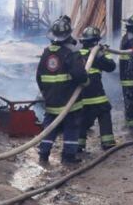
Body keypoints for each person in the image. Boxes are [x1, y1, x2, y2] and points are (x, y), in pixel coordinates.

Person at [36, 16, 87, 165]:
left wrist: (46, 93)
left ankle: (43, 155)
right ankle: (68, 157)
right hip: (69, 101)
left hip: (51, 100)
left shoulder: (46, 53)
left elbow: (39, 77)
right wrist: (86, 81)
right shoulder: (70, 53)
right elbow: (79, 74)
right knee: (72, 127)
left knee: (49, 128)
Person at [76, 25, 117, 152]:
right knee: (104, 111)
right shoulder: (97, 56)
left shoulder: (75, 55)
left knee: (81, 120)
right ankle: (108, 142)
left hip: (80, 99)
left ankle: (78, 144)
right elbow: (111, 67)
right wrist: (106, 54)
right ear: (96, 42)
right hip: (97, 97)